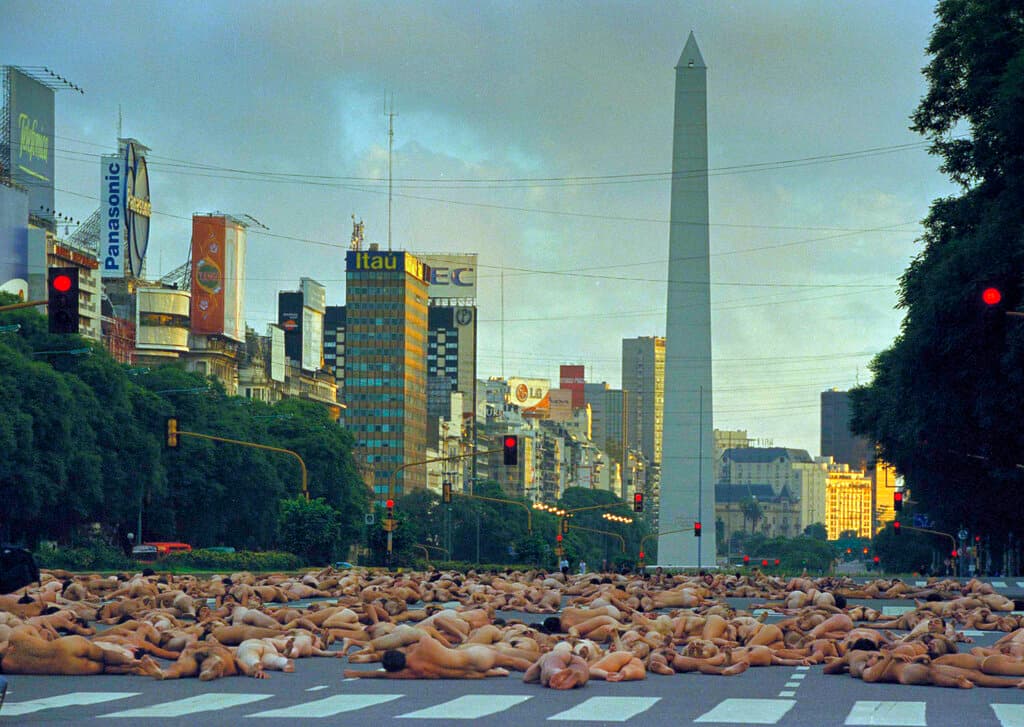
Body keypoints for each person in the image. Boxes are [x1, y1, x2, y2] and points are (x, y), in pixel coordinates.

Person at [343, 632, 528, 679]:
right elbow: (427, 634)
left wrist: (358, 673)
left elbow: (384, 675)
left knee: (506, 664)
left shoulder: (417, 671)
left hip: (470, 672)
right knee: (511, 661)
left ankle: (498, 672)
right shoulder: (425, 644)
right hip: (475, 656)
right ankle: (538, 671)